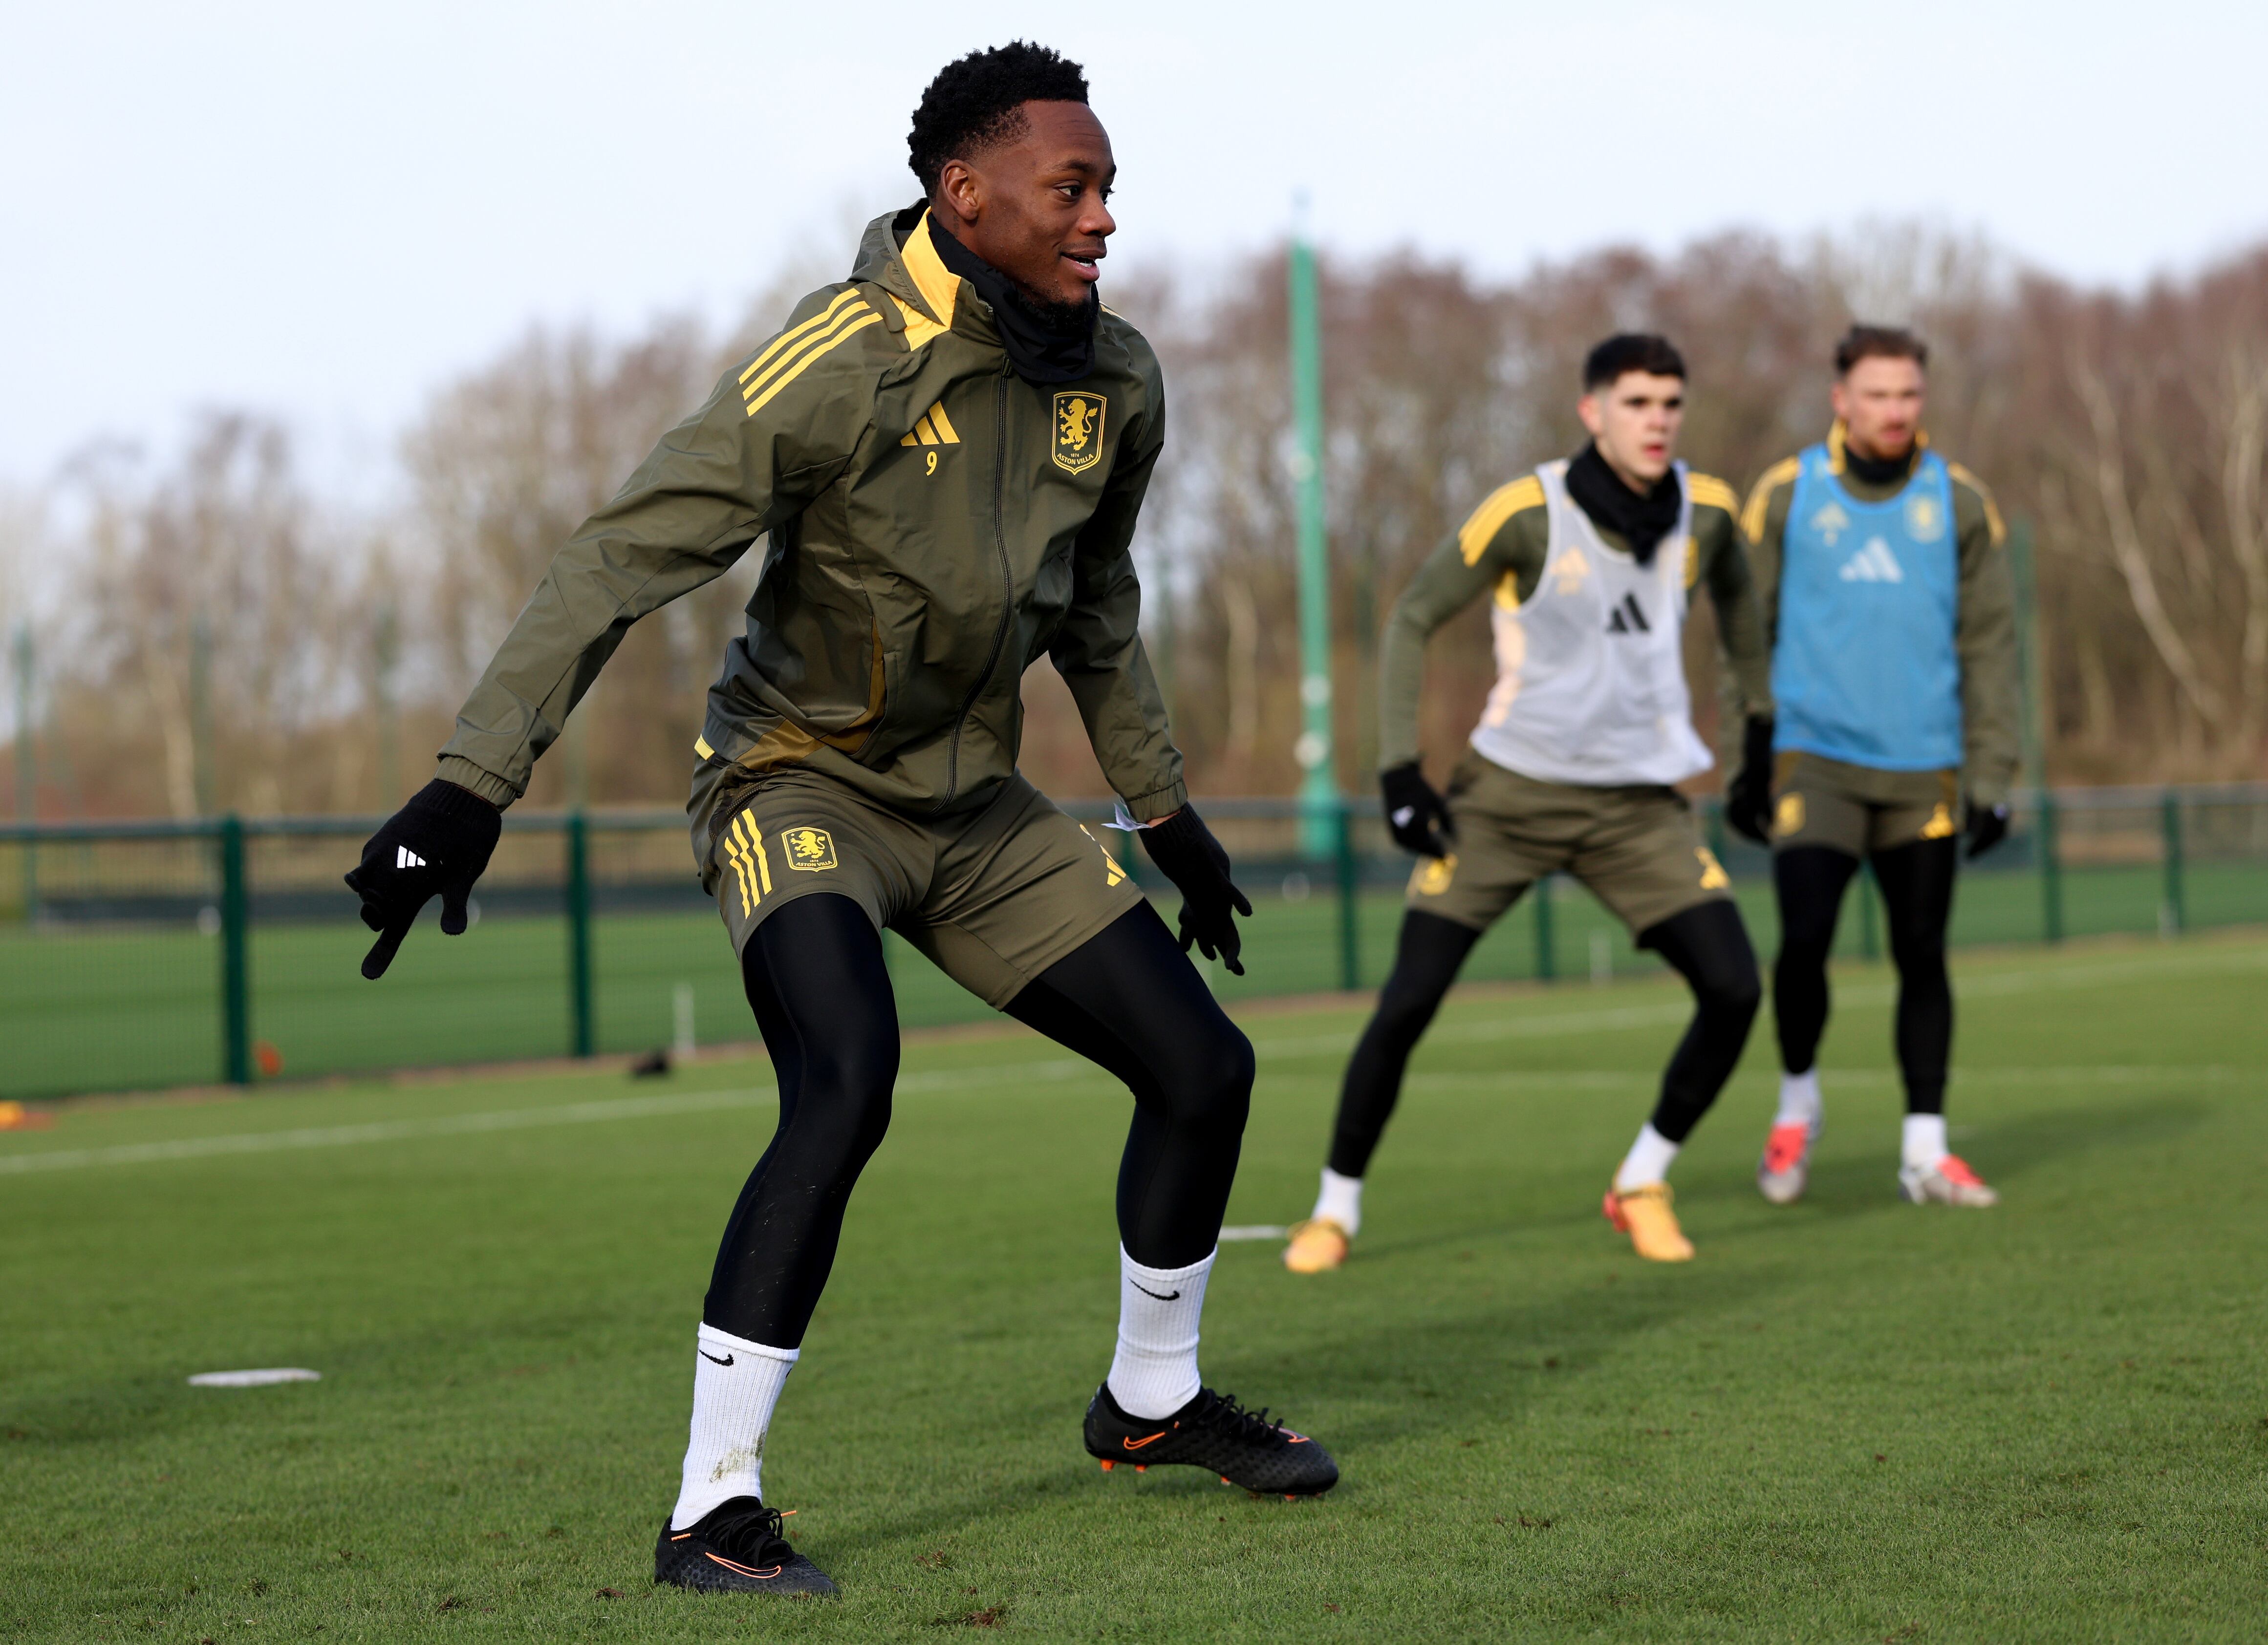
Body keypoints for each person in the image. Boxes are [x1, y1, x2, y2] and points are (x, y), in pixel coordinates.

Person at [342, 43, 1337, 1599]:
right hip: (795, 781)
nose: (1102, 223)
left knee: (1205, 1067)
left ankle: (1151, 1405)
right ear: (968, 193)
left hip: (981, 809)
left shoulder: (1119, 378)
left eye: (1109, 193)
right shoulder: (836, 362)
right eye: (1073, 190)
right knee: (848, 1080)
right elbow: (617, 559)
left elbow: (1101, 606)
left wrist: (1165, 808)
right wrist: (470, 786)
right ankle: (711, 1509)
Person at [1281, 334, 1771, 1275]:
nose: (1658, 419)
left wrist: (1752, 756)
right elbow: (1413, 616)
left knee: (1735, 987)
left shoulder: (1708, 514)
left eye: (1671, 402)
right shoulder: (1528, 510)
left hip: (1638, 806)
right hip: (1506, 800)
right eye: (1637, 402)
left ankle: (1642, 1180)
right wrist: (1398, 771)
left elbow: (1747, 629)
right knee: (1408, 1002)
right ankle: (1334, 1209)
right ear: (1593, 411)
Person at [1722, 323, 2020, 1210]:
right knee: (1804, 941)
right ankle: (1797, 1104)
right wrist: (1749, 756)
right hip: (1813, 760)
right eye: (1878, 394)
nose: (1896, 410)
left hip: (1923, 766)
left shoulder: (1961, 503)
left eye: (1909, 394)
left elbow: (1992, 648)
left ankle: (1925, 1151)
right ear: (1840, 400)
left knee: (1920, 951)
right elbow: (1744, 636)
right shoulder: (1785, 494)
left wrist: (1993, 774)